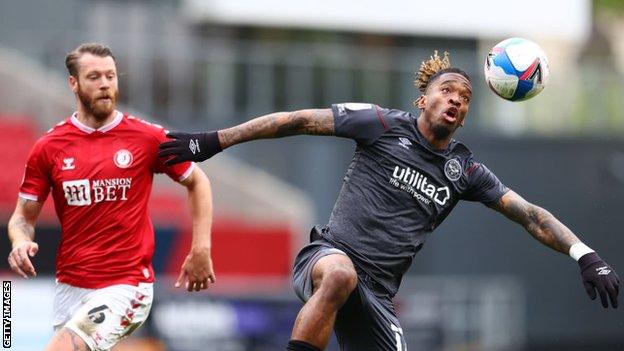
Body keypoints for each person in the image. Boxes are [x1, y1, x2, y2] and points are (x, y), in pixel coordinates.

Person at [158, 51, 620, 351]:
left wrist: (585, 254)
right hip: (327, 257)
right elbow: (296, 119)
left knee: (358, 289)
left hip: (379, 295)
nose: (456, 100)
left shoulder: (466, 172)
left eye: (465, 97)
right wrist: (213, 140)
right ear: (423, 100)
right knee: (341, 274)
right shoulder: (380, 124)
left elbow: (532, 216)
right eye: (447, 91)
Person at [6, 43, 216, 351]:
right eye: (94, 77)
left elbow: (198, 182)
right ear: (73, 83)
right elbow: (23, 217)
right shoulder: (49, 147)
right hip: (69, 287)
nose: (105, 83)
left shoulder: (147, 137)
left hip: (126, 285)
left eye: (111, 76)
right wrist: (20, 241)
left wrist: (201, 247)